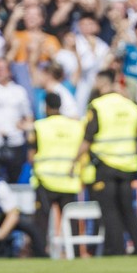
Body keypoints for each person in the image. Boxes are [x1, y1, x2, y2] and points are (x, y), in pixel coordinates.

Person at [78, 70, 137, 256]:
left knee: (110, 211)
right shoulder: (131, 106)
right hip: (128, 164)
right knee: (127, 209)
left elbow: (87, 138)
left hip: (106, 164)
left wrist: (74, 161)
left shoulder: (98, 106)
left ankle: (116, 249)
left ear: (102, 82)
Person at [30, 92, 81, 257]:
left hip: (46, 180)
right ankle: (76, 251)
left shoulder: (40, 126)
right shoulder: (75, 126)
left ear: (46, 106)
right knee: (71, 220)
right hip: (68, 179)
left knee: (42, 221)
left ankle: (40, 252)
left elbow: (31, 155)